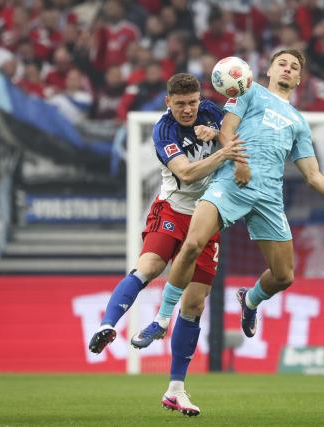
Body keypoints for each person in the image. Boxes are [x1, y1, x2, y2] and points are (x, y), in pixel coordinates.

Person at [134, 48, 324, 375]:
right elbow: (226, 131)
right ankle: (161, 320)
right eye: (282, 63)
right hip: (232, 182)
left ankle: (249, 301)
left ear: (299, 78)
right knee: (193, 243)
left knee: (284, 276)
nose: (288, 69)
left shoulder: (299, 123)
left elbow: (313, 176)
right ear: (269, 70)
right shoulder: (247, 91)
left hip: (268, 197)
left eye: (294, 67)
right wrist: (240, 163)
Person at [87, 73, 247, 416]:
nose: (188, 110)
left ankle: (176, 389)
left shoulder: (212, 112)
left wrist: (218, 134)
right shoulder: (164, 131)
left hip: (209, 217)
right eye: (180, 104)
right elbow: (187, 173)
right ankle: (107, 325)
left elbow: (240, 139)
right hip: (172, 209)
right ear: (168, 103)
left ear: (199, 98)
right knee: (149, 266)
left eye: (192, 103)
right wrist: (222, 151)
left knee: (195, 304)